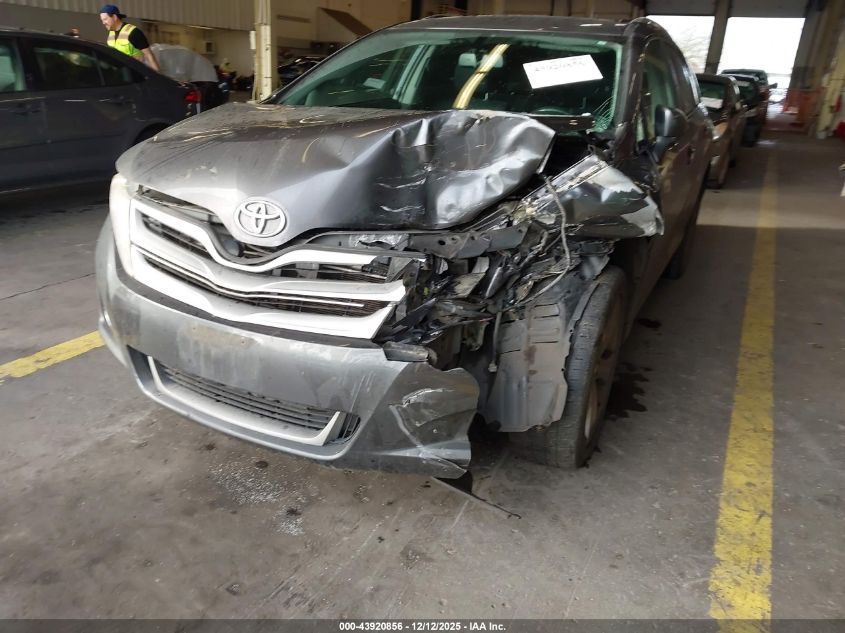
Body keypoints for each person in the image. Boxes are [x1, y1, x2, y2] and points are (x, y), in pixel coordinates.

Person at [98, 4, 160, 72]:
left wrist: (157, 74)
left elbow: (149, 55)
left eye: (105, 19)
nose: (103, 23)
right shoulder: (111, 33)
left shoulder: (133, 32)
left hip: (134, 73)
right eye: (102, 20)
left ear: (114, 17)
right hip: (120, 73)